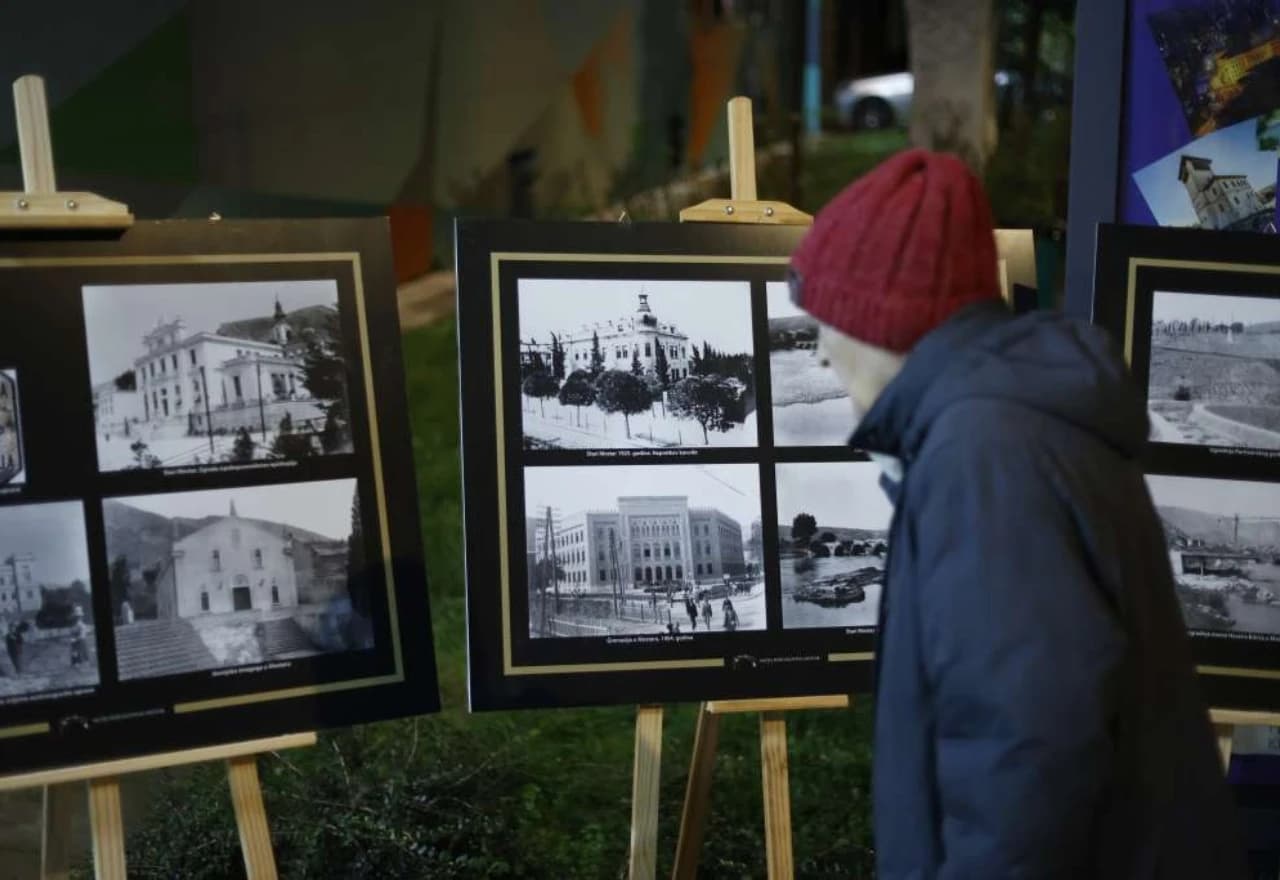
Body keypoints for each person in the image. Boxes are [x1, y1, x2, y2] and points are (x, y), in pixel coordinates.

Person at [787, 148, 1246, 878]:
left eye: (826, 320)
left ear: (882, 320)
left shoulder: (984, 453)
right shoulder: (1010, 425)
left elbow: (1022, 749)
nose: (818, 351)